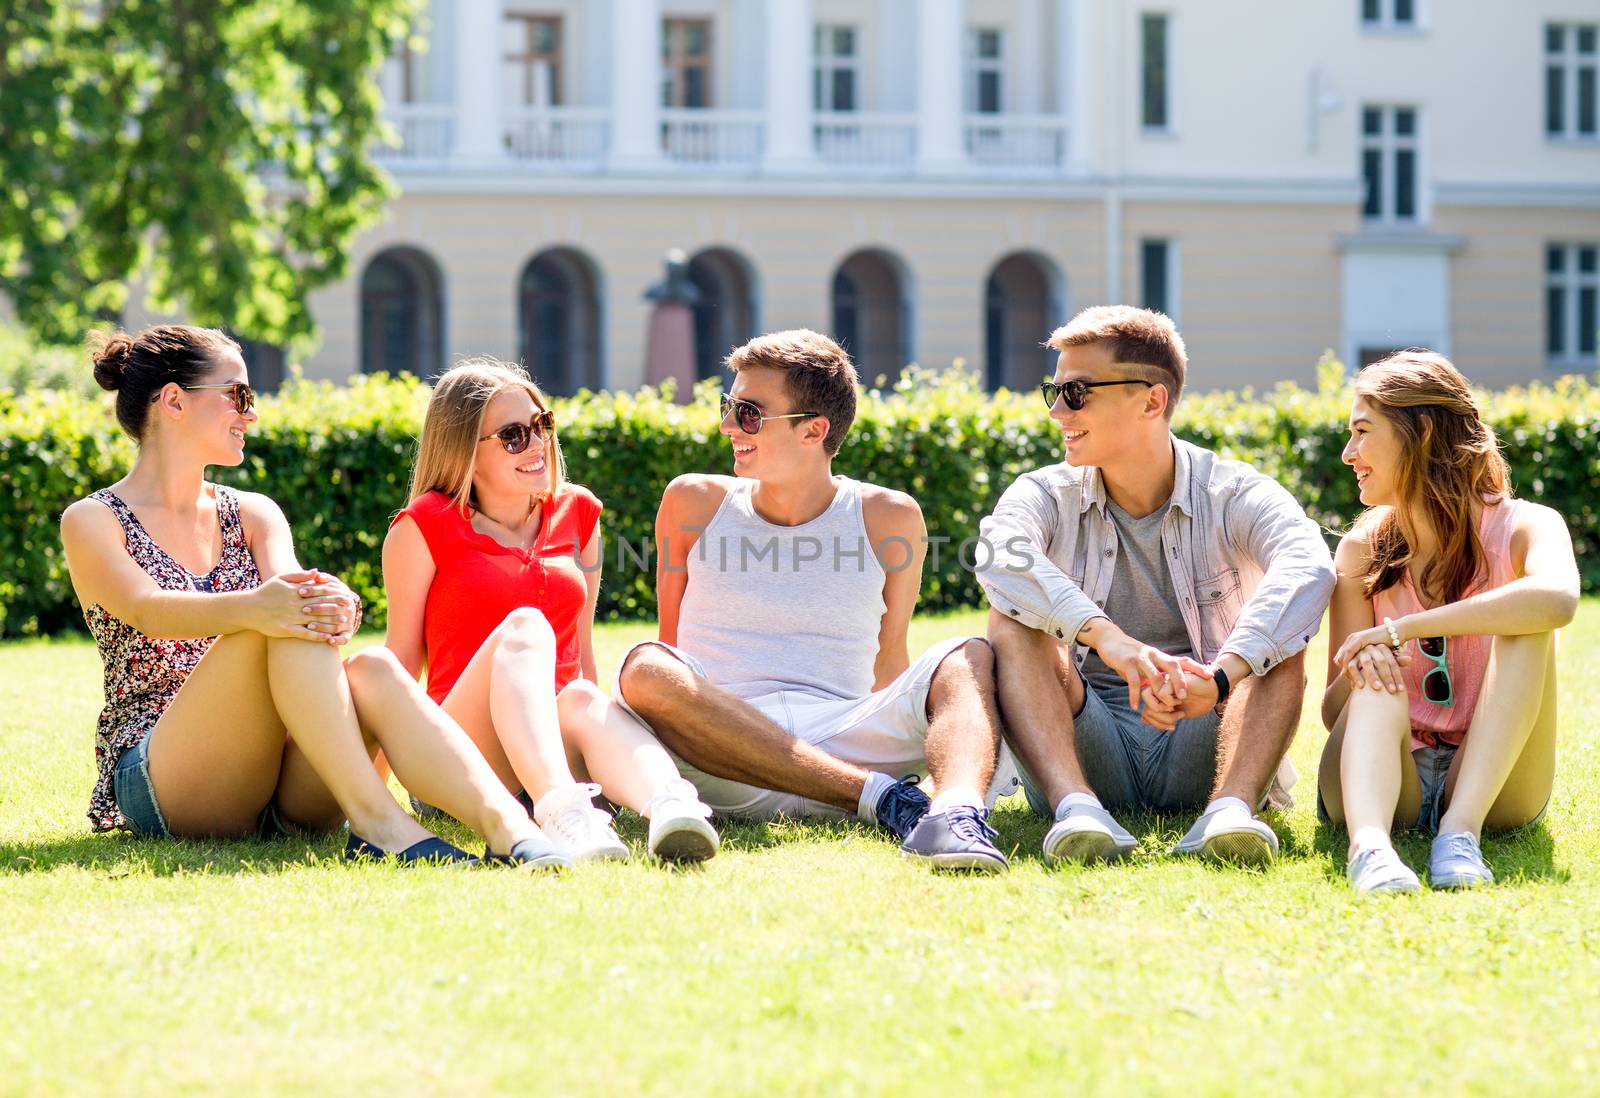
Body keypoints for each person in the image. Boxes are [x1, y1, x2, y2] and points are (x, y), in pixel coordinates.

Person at [59, 325, 561, 867]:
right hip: (164, 773)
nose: (251, 415)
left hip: (283, 775)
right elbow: (147, 608)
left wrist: (332, 605)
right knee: (272, 620)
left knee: (370, 665)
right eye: (238, 396)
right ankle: (379, 823)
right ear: (175, 400)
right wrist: (263, 608)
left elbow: (292, 592)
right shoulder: (92, 520)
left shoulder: (253, 513)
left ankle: (509, 828)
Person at [615, 330, 1016, 872]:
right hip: (721, 755)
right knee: (645, 666)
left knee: (969, 656)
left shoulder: (889, 516)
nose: (728, 426)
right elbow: (670, 649)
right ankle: (883, 799)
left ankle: (955, 813)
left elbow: (889, 660)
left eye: (749, 413)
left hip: (843, 737)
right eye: (729, 407)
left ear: (814, 430)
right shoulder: (693, 501)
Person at [980, 306, 1335, 866]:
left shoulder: (1233, 491)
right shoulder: (1045, 493)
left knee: (1279, 640)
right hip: (1082, 737)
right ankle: (1076, 810)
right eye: (1053, 391)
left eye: (1076, 392)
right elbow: (999, 555)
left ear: (1151, 399)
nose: (1056, 412)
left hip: (1210, 735)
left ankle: (1229, 813)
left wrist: (1222, 678)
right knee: (1011, 618)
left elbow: (1309, 565)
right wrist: (1109, 640)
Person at [382, 359, 718, 863]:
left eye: (541, 425)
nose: (537, 444)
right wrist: (370, 791)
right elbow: (401, 662)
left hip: (552, 745)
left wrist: (603, 750)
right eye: (514, 435)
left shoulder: (577, 512)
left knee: (581, 694)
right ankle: (561, 809)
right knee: (525, 628)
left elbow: (581, 652)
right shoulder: (424, 525)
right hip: (460, 757)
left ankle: (670, 806)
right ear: (465, 453)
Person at [1317, 351, 1576, 894]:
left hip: (1496, 782)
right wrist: (1367, 661)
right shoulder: (1363, 549)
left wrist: (1403, 628)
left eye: (1363, 432)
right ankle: (1371, 850)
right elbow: (1332, 711)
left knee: (1525, 622)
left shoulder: (1528, 525)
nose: (1348, 454)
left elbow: (1557, 601)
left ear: (1424, 434)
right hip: (1390, 777)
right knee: (1374, 666)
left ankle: (1459, 835)